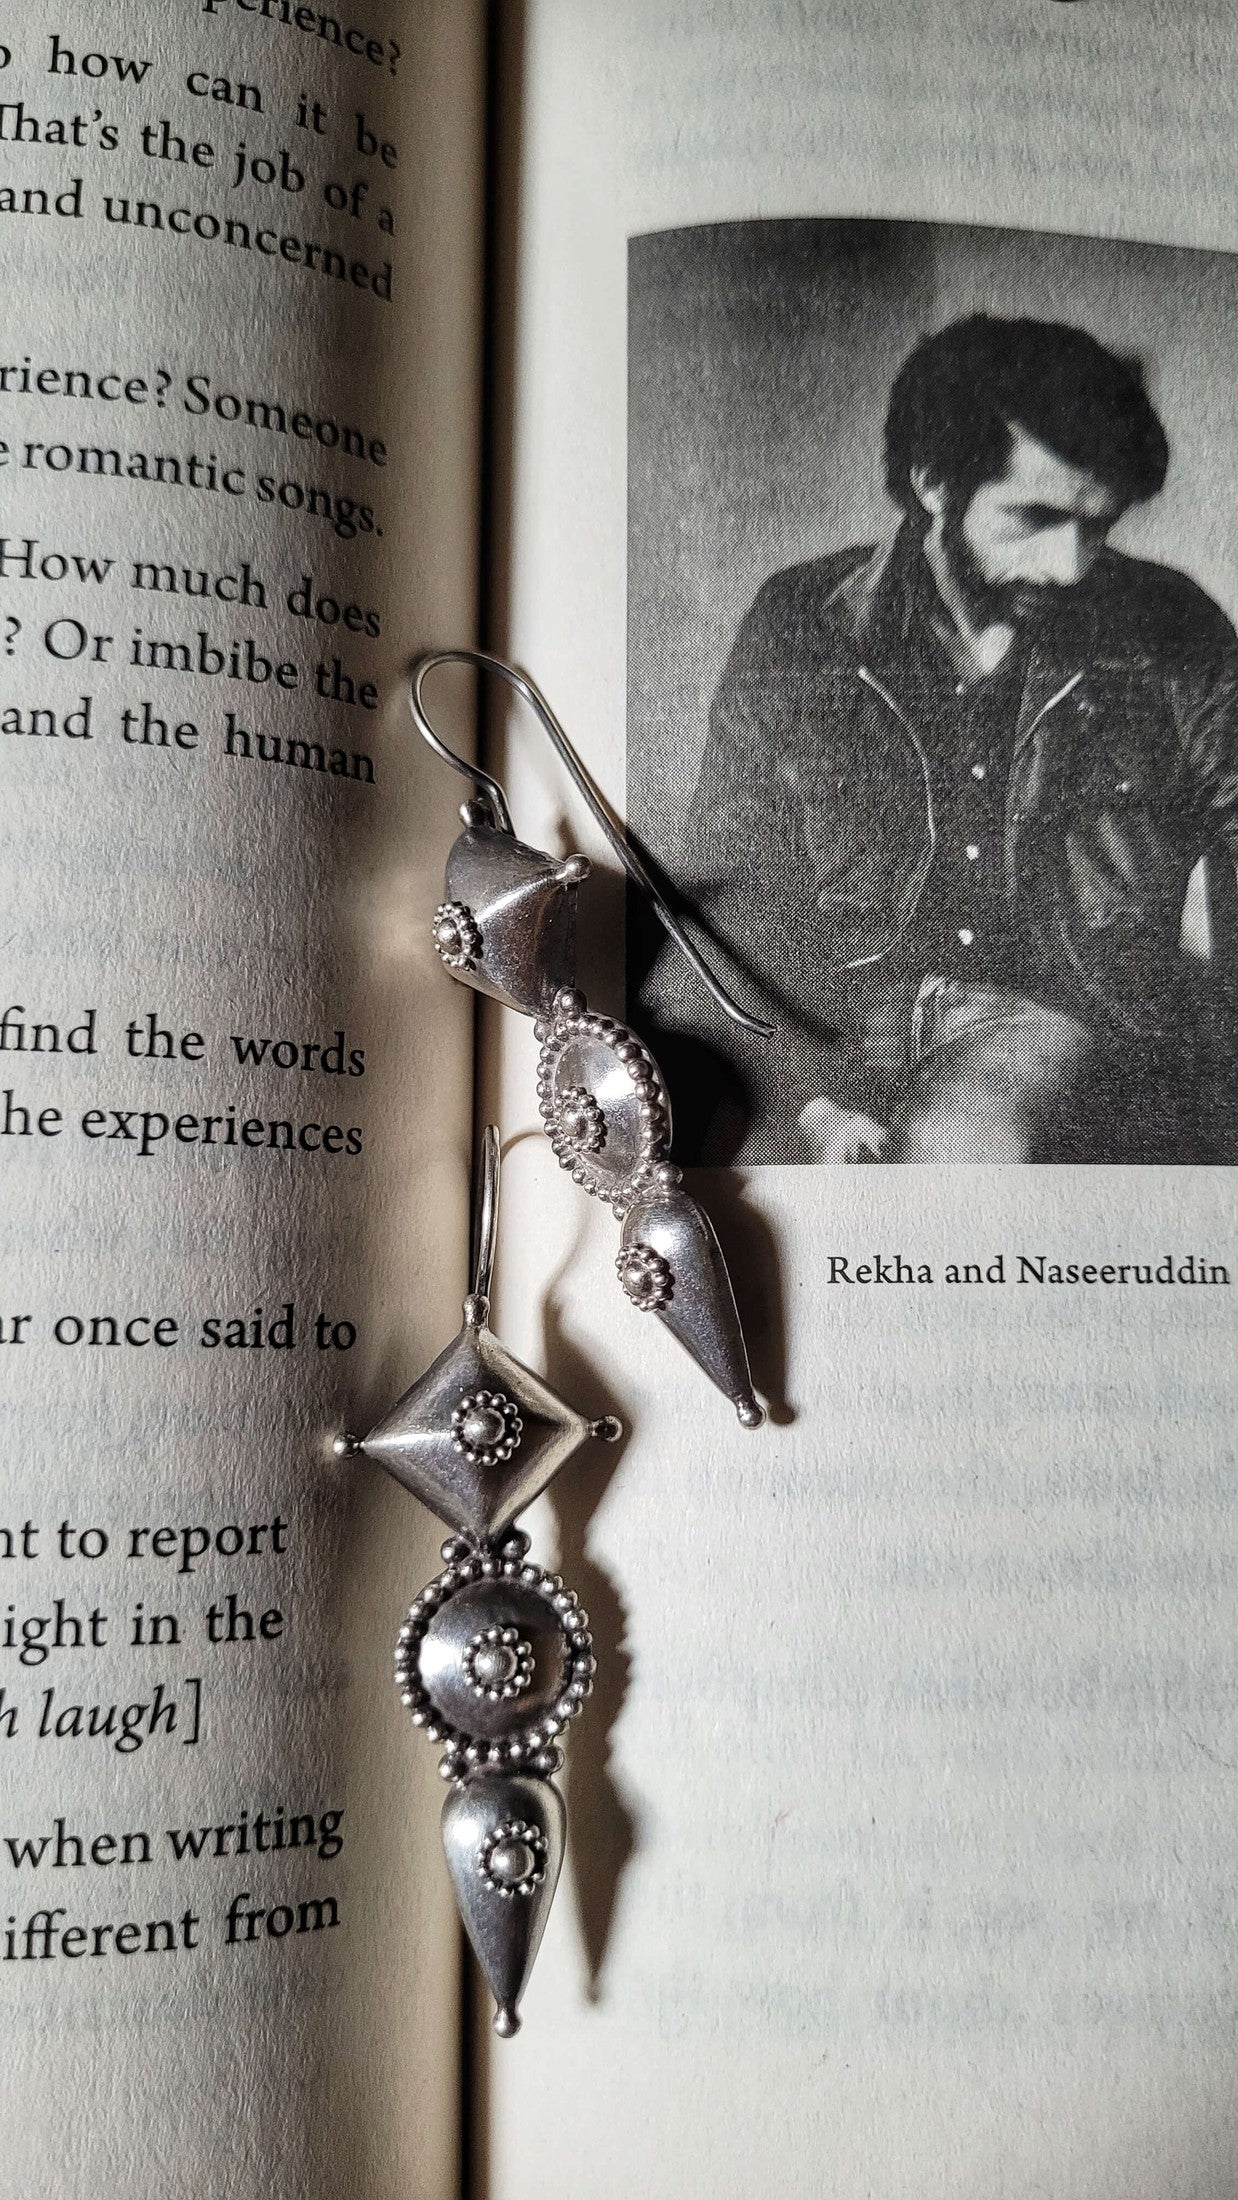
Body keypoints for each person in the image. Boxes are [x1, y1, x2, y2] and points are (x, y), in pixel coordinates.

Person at [649, 314, 1238, 1163]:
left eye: (1098, 527)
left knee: (962, 1146)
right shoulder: (801, 620)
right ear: (933, 482)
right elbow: (728, 879)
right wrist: (811, 1099)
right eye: (1033, 518)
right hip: (828, 1024)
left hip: (1059, 1030)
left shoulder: (1173, 628)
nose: (1070, 565)